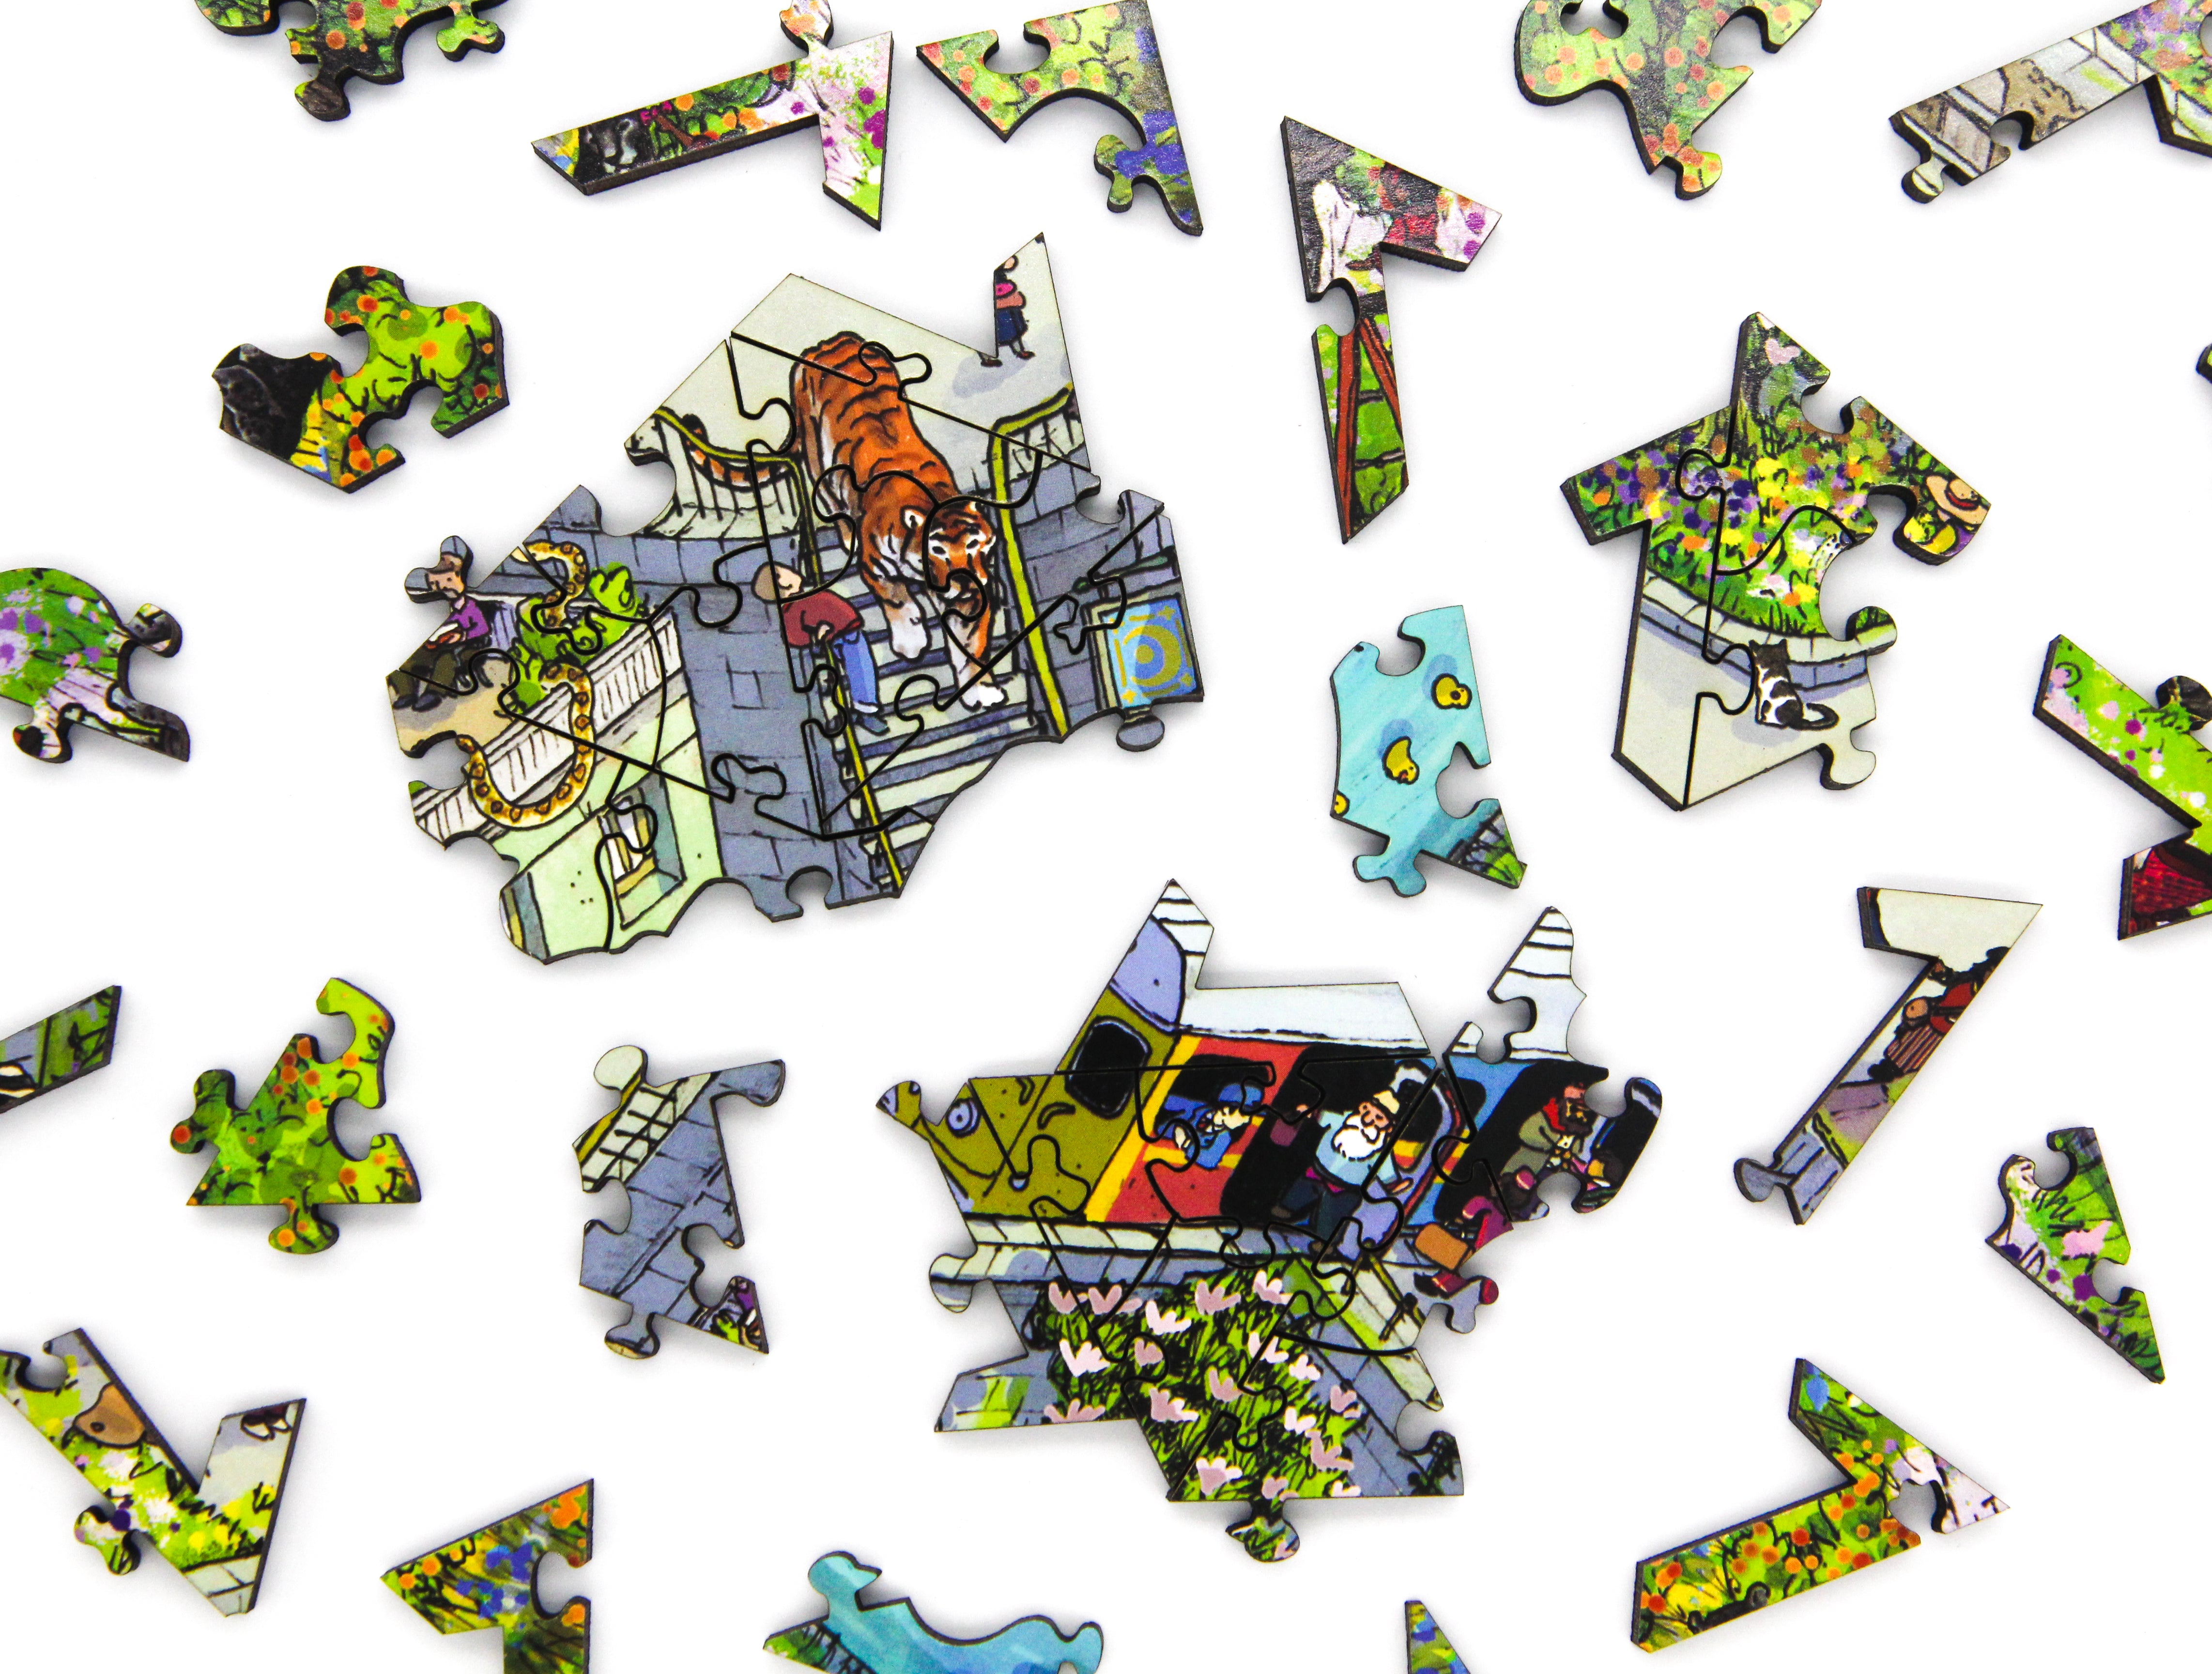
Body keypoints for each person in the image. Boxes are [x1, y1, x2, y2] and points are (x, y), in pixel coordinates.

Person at [753, 562, 888, 734]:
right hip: (844, 636)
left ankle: (863, 709)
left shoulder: (805, 597)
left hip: (848, 631)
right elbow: (794, 636)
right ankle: (866, 711)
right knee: (861, 669)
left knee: (861, 669)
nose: (793, 571)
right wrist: (817, 634)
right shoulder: (792, 609)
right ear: (784, 584)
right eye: (787, 572)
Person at [390, 542, 513, 712]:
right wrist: (434, 643)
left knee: (447, 659)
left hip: (472, 648)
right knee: (412, 663)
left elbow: (483, 628)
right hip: (445, 646)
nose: (443, 587)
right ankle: (406, 694)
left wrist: (462, 636)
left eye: (447, 580)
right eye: (435, 584)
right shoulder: (453, 613)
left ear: (458, 575)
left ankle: (434, 693)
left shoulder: (471, 606)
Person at [981, 257, 1035, 366]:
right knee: (984, 337)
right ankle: (987, 359)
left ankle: (1020, 351)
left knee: (1013, 330)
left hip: (1005, 304)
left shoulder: (999, 273)